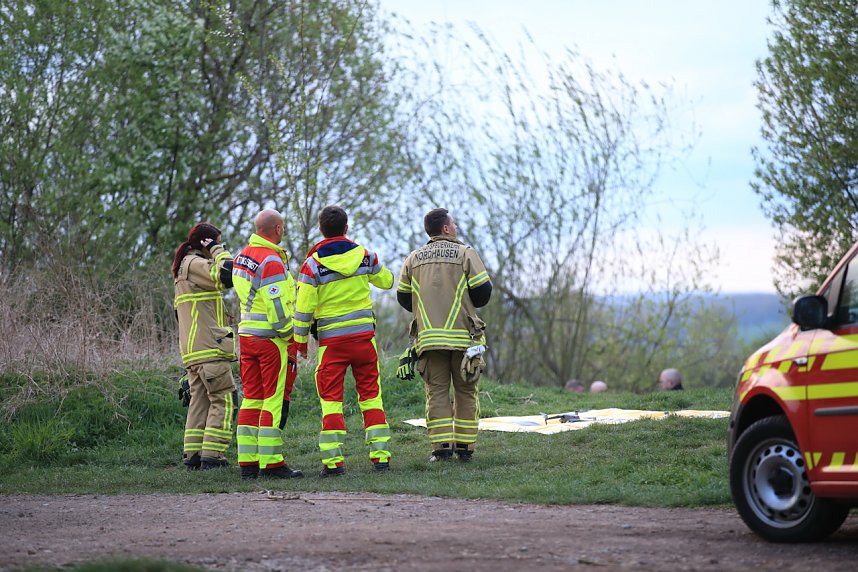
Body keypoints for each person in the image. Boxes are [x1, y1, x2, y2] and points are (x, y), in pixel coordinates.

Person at [293, 206, 394, 476]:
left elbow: (303, 308)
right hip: (364, 340)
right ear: (346, 228)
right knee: (371, 396)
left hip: (331, 343)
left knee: (331, 400)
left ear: (321, 230)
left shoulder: (312, 265)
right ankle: (381, 457)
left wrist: (299, 340)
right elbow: (387, 281)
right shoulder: (364, 255)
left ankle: (333, 463)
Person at [397, 208, 492, 462]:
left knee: (436, 392)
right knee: (466, 391)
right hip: (465, 339)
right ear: (447, 229)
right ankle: (465, 449)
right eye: (455, 224)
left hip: (428, 340)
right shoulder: (466, 254)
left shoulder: (413, 258)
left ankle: (441, 449)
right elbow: (483, 292)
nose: (457, 227)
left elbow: (404, 297)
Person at [232, 209, 303, 480]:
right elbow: (276, 308)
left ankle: (247, 462)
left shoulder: (242, 256)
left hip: (247, 337)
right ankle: (272, 462)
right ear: (278, 229)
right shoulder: (271, 260)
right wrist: (289, 335)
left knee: (251, 398)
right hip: (270, 340)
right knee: (272, 400)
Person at [172, 222, 237, 471]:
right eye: (216, 241)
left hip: (194, 351)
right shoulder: (195, 264)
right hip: (210, 349)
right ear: (205, 243)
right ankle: (213, 455)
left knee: (200, 402)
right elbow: (227, 275)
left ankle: (194, 455)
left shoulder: (182, 269)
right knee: (223, 399)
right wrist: (219, 251)